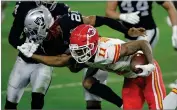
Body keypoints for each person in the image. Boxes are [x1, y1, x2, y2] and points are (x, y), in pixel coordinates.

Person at [17, 7, 146, 109]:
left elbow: (102, 20)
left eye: (36, 31)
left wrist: (126, 31)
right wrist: (33, 55)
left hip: (99, 54)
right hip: (85, 62)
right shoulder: (43, 45)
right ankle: (124, 105)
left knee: (95, 89)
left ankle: (127, 103)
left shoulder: (68, 20)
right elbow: (63, 62)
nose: (35, 36)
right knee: (91, 97)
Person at [5, 1, 70, 109]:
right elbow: (13, 37)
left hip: (45, 63)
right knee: (10, 103)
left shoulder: (62, 10)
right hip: (23, 62)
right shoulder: (25, 5)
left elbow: (64, 41)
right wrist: (25, 47)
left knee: (37, 102)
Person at [106, 1, 177, 49]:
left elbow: (170, 7)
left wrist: (175, 29)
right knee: (133, 64)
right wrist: (122, 16)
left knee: (139, 59)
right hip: (130, 33)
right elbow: (109, 12)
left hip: (148, 31)